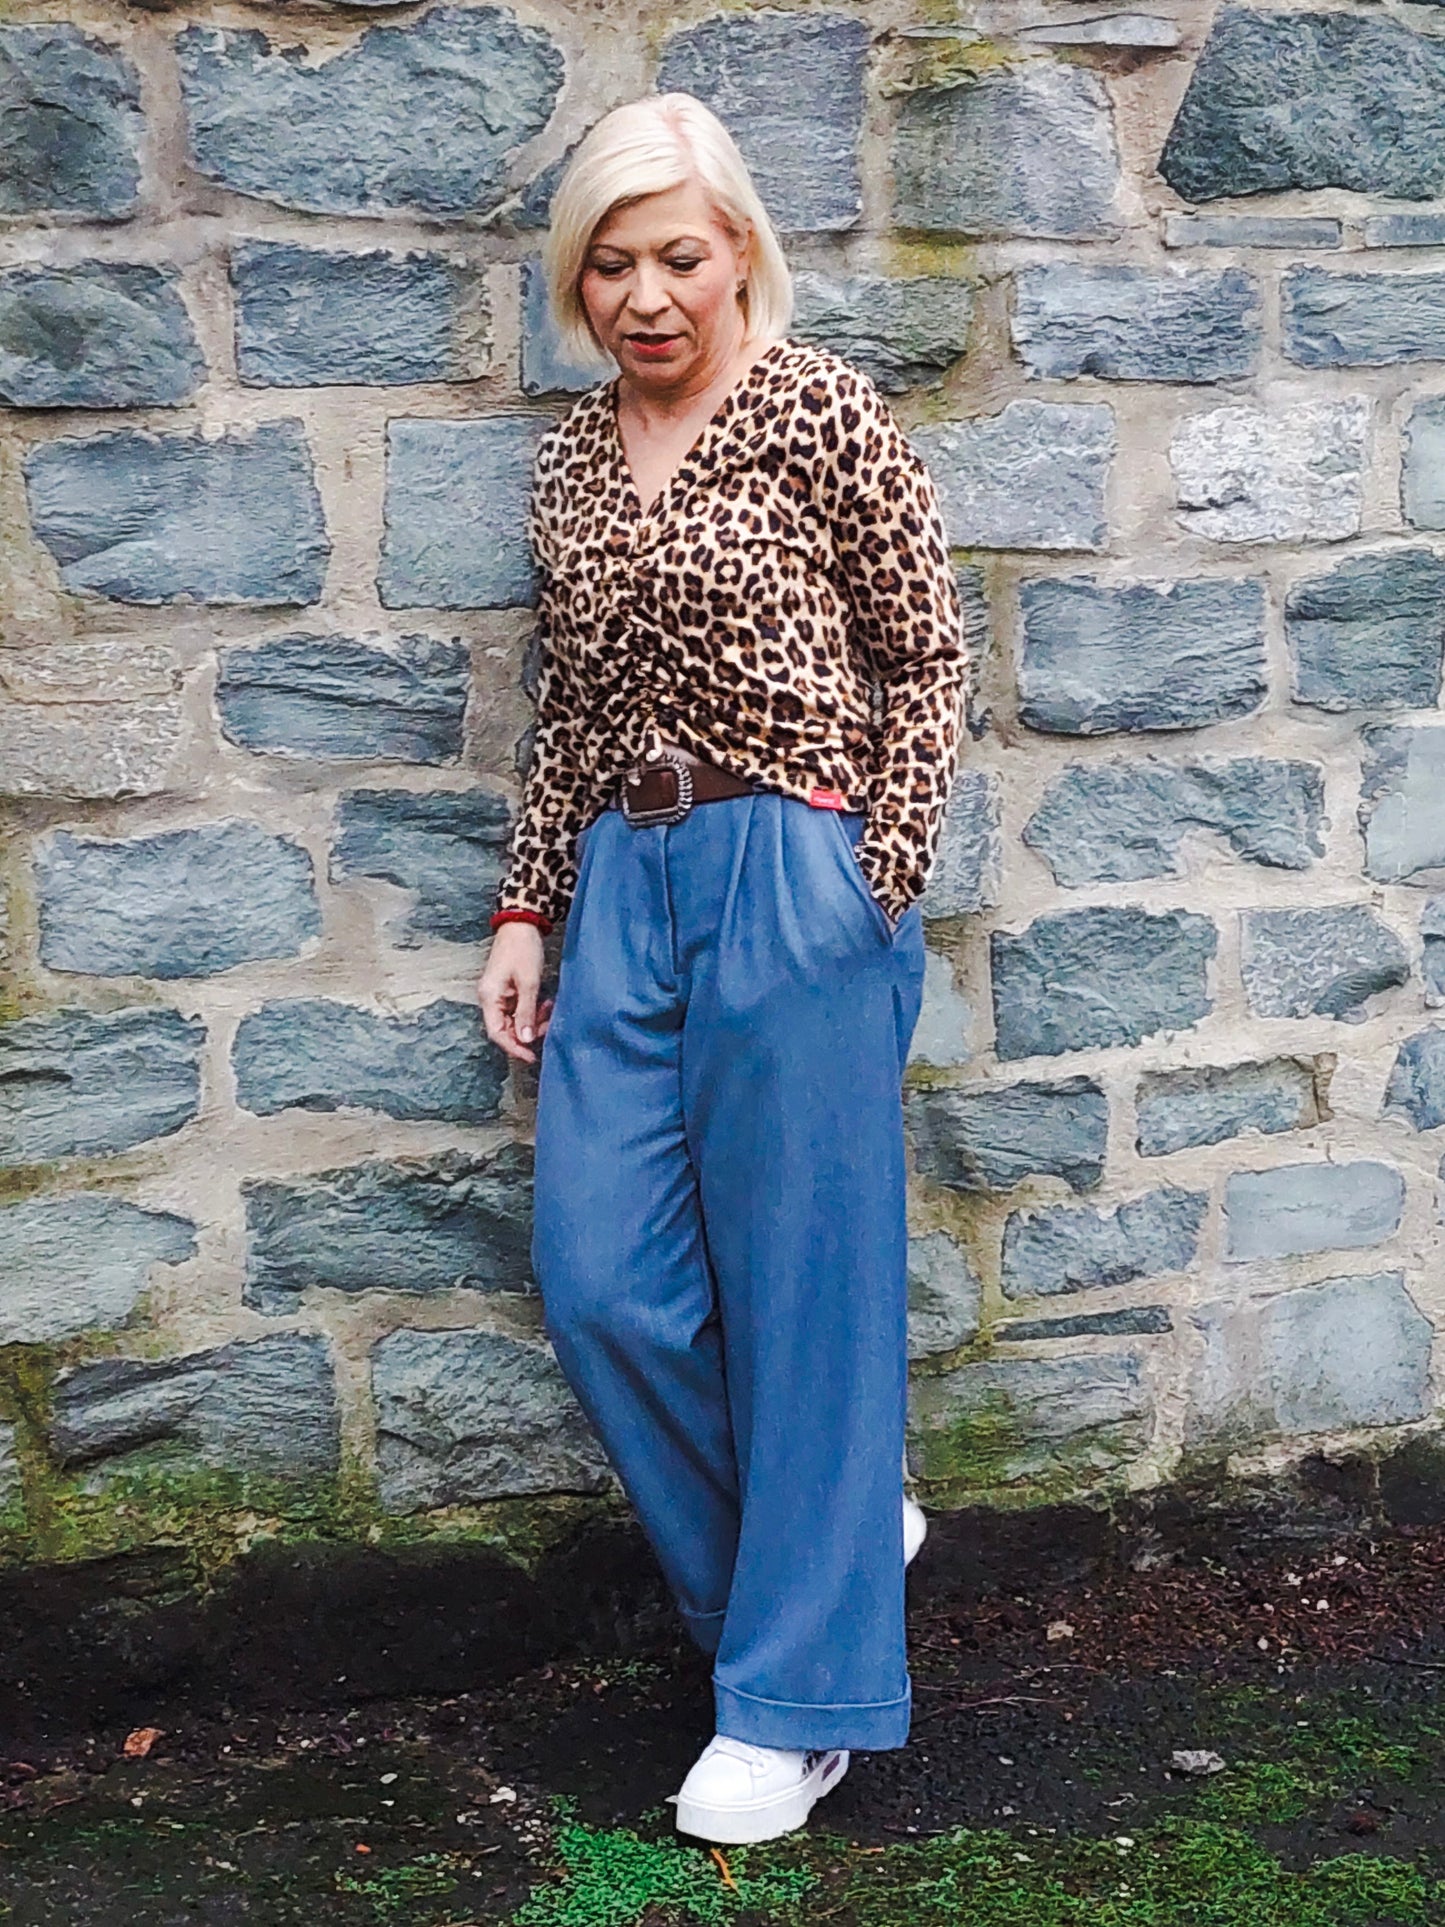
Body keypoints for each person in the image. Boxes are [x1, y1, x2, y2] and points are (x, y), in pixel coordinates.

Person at [478, 91, 968, 1845]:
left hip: (791, 863)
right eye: (609, 265)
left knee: (803, 1297)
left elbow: (929, 655)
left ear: (739, 248)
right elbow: (571, 709)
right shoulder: (570, 459)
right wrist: (528, 906)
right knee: (602, 1280)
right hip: (626, 876)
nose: (645, 295)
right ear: (578, 281)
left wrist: (870, 873)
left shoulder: (820, 409)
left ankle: (793, 1707)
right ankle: (826, 1557)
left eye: (676, 256)